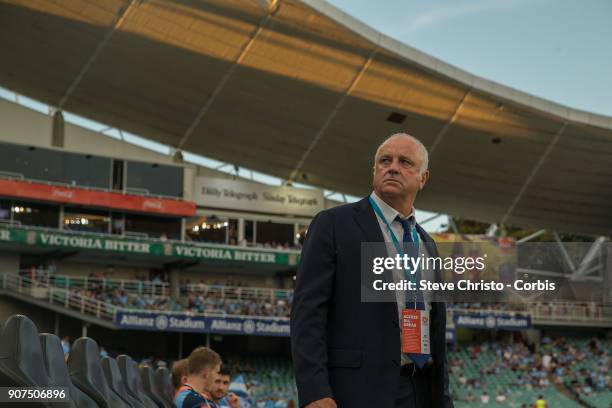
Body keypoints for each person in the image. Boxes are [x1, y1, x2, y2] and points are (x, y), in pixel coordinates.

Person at [291, 133, 452, 407]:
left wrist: (441, 396)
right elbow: (308, 312)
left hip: (420, 390)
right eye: (385, 160)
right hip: (357, 391)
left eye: (405, 162)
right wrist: (315, 390)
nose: (392, 167)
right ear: (374, 170)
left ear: (423, 178)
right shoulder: (334, 224)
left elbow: (435, 326)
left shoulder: (426, 242)